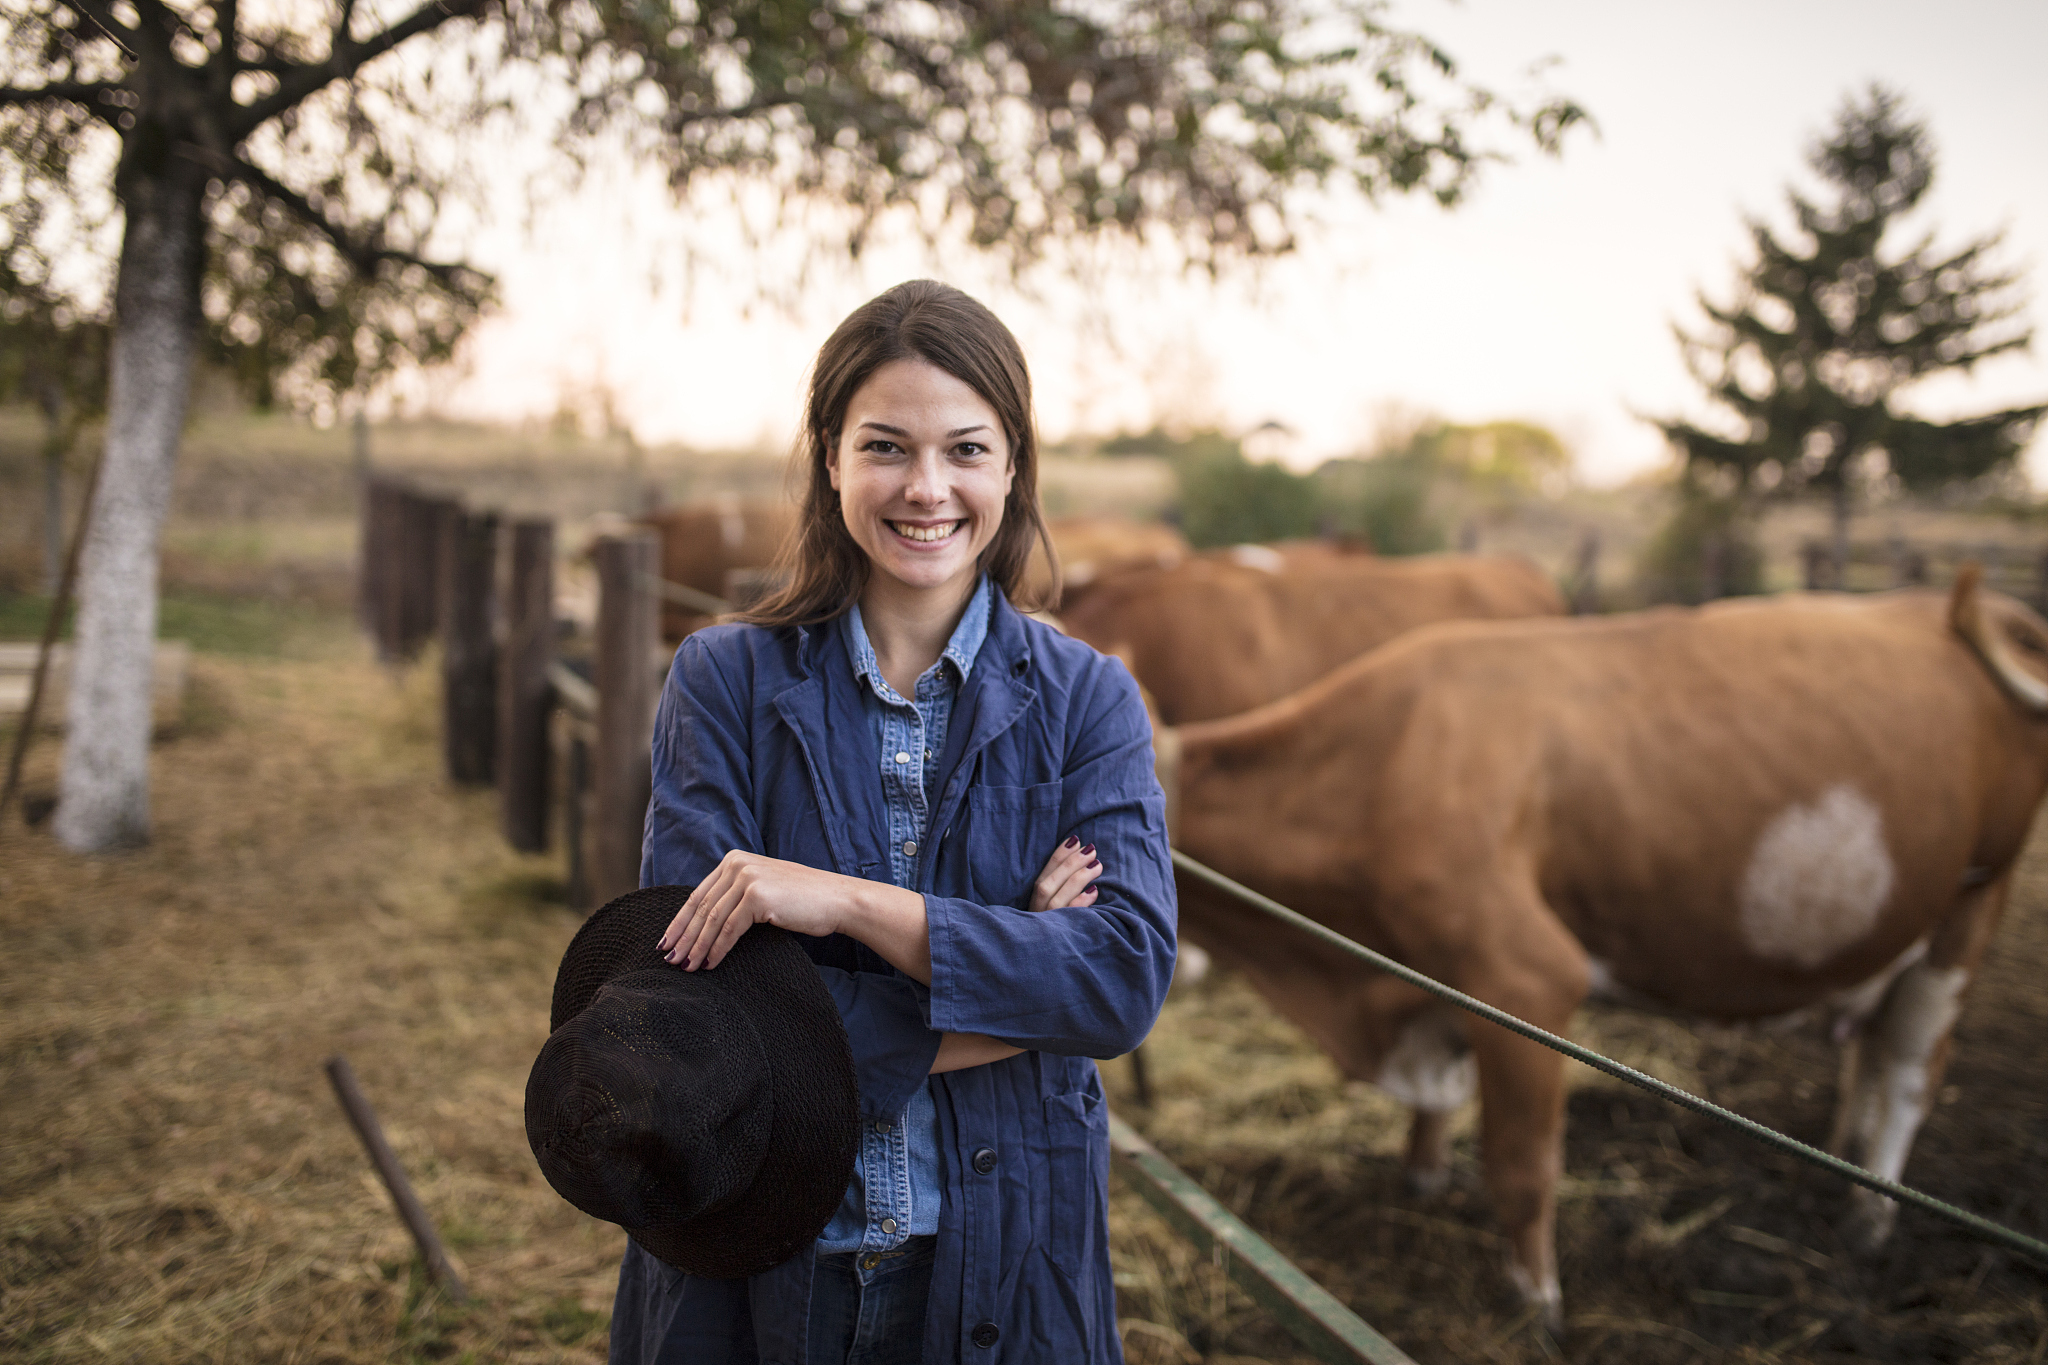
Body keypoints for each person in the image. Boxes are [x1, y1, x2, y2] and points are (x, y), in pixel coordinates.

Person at [616, 279, 1179, 1365]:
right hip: (756, 1252)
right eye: (886, 447)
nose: (927, 489)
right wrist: (1018, 989)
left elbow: (1119, 981)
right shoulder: (721, 680)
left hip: (1007, 1257)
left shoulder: (1088, 701)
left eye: (965, 450)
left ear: (1013, 467)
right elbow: (706, 1024)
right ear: (829, 457)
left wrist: (845, 907)